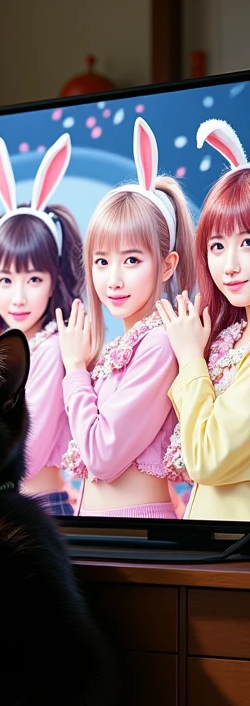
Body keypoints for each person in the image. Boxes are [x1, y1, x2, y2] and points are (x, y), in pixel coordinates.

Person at [58, 117, 196, 518]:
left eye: (132, 259)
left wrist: (73, 369)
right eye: (101, 261)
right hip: (104, 533)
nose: (113, 279)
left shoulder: (158, 344)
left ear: (167, 265)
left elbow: (102, 456)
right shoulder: (123, 344)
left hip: (137, 531)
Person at [0, 133, 84, 513]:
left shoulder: (51, 351)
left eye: (33, 279)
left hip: (42, 508)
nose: (18, 297)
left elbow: (25, 451)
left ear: (54, 283)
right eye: (5, 280)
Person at [158, 119, 250, 521]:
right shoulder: (233, 334)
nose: (229, 265)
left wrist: (191, 357)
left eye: (247, 242)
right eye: (217, 245)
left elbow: (206, 457)